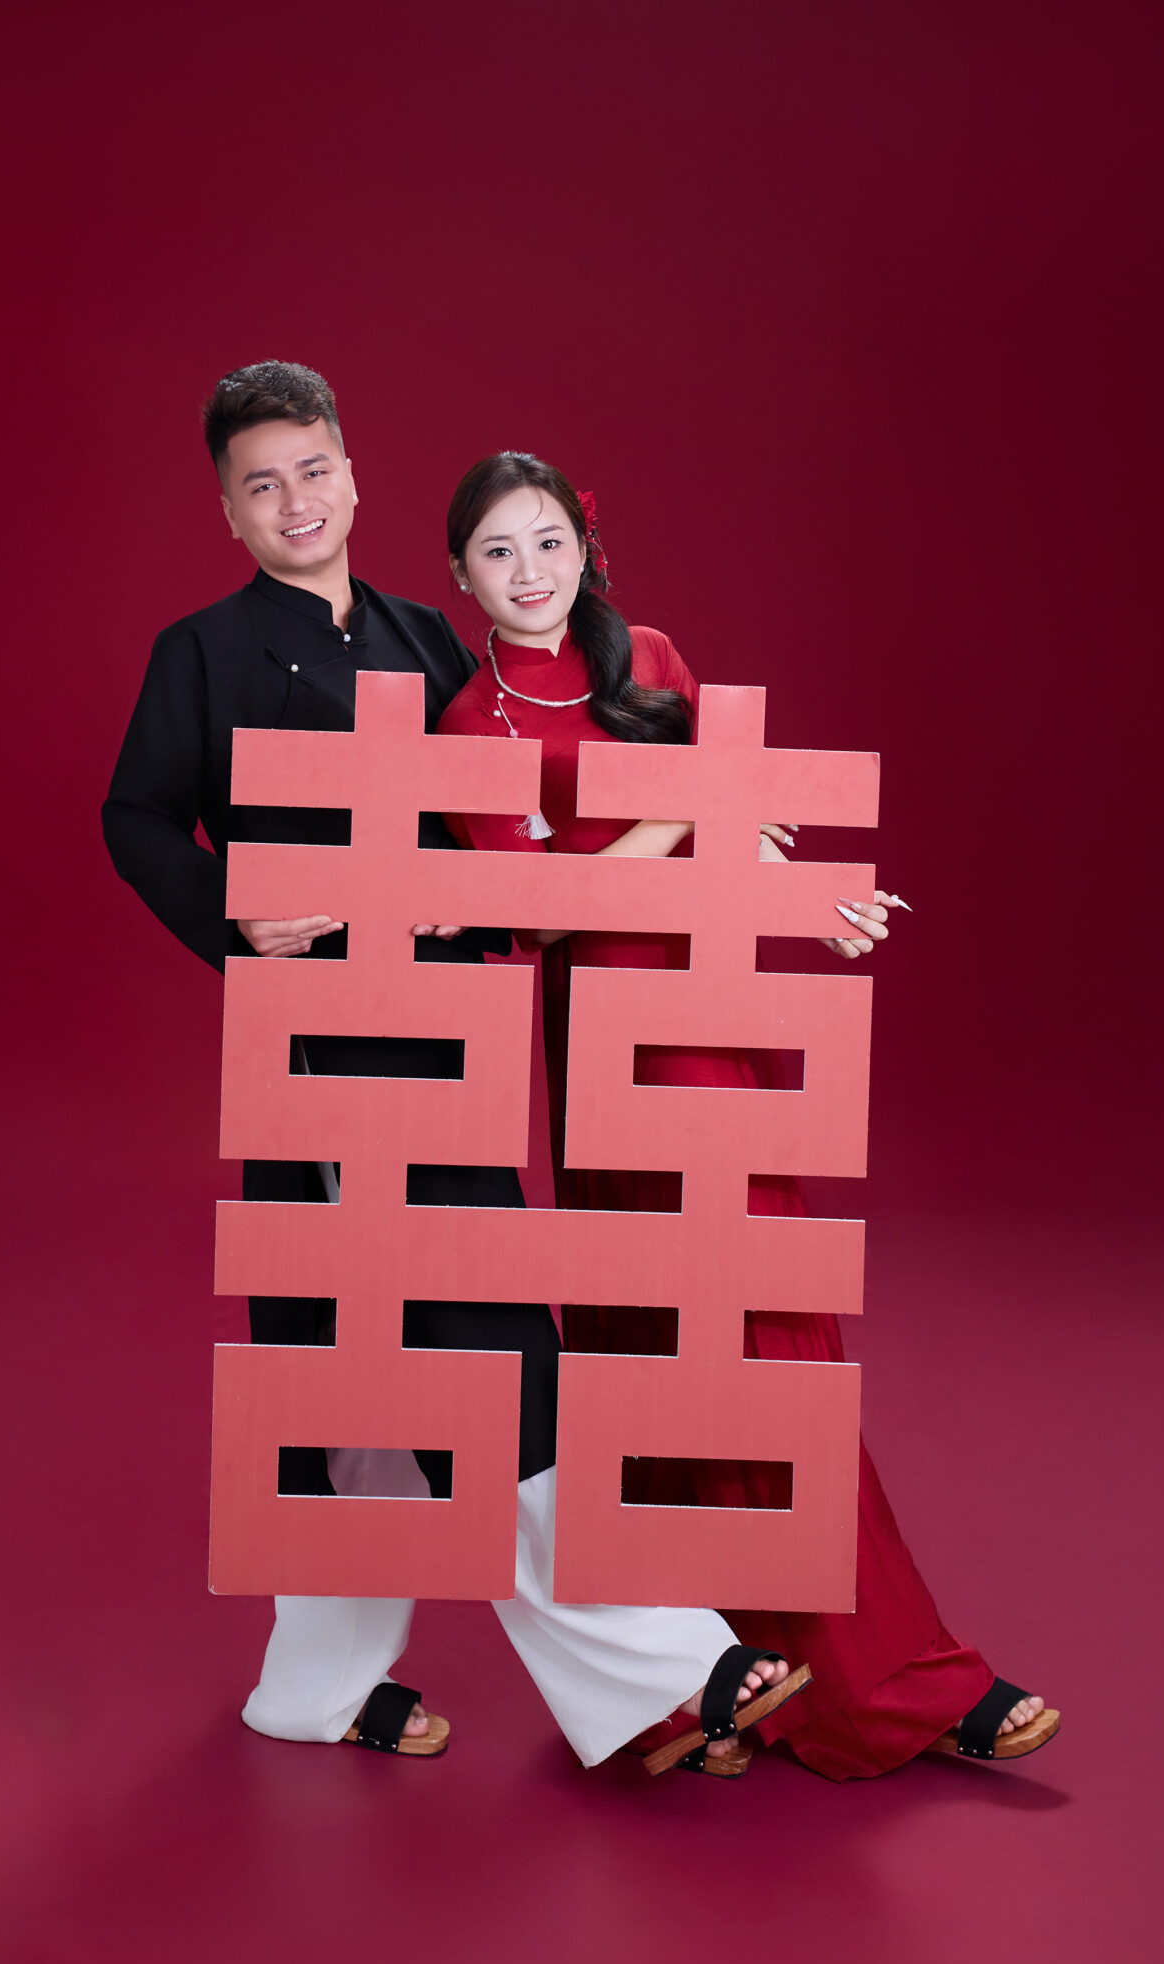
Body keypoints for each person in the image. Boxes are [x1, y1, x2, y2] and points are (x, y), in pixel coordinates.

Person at [102, 362, 806, 1775]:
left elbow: (520, 808)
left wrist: (701, 832)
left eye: (313, 469)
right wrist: (236, 909)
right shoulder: (201, 653)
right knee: (435, 1355)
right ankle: (668, 1664)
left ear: (352, 476)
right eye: (260, 483)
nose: (294, 501)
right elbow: (135, 817)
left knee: (381, 1369)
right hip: (318, 1049)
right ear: (229, 510)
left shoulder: (432, 641)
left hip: (449, 1034)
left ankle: (327, 1690)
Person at [436, 450, 1060, 1778]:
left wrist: (809, 901)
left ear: (584, 550)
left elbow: (744, 818)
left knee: (766, 1343)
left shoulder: (648, 658)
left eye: (548, 543)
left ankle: (860, 1672)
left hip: (712, 1015)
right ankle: (721, 1677)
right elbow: (538, 913)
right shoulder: (468, 724)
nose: (530, 572)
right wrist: (680, 817)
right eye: (499, 551)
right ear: (460, 575)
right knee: (659, 1349)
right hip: (611, 1043)